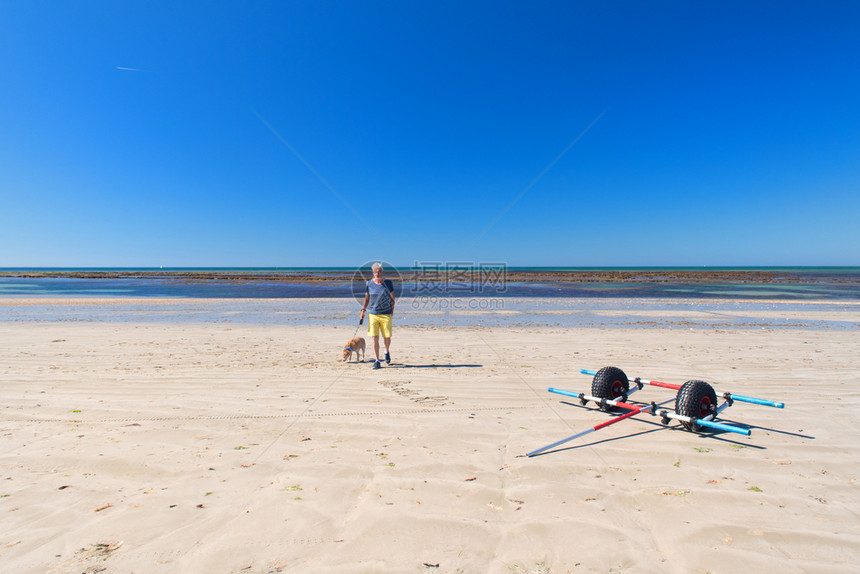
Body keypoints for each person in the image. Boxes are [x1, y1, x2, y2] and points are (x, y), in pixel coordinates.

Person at [359, 262, 395, 369]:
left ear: (382, 272)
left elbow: (392, 298)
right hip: (373, 314)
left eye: (379, 271)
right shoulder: (369, 284)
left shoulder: (388, 283)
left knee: (387, 336)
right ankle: (377, 360)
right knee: (375, 338)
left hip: (386, 313)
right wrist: (363, 311)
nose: (377, 273)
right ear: (373, 273)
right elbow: (366, 298)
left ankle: (386, 351)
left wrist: (392, 310)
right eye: (375, 272)